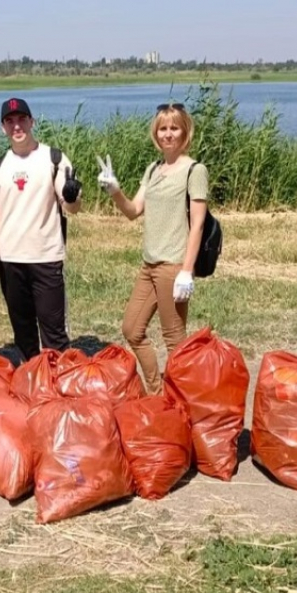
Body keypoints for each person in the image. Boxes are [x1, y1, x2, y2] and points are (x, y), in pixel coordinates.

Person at [96, 102, 208, 395]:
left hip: (173, 266)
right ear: (155, 133)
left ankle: (184, 404)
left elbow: (197, 224)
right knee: (132, 329)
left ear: (185, 131)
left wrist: (186, 271)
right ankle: (158, 393)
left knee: (175, 341)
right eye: (162, 128)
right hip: (149, 265)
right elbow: (133, 210)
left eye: (174, 128)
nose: (168, 134)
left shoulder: (194, 170)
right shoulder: (153, 169)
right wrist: (114, 190)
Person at [0, 97, 82, 361]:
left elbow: (71, 207)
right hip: (10, 260)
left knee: (54, 334)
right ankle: (33, 384)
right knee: (23, 333)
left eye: (22, 119)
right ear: (3, 127)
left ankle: (59, 387)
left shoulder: (54, 159)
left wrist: (72, 197)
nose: (17, 126)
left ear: (32, 121)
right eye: (10, 121)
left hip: (46, 257)